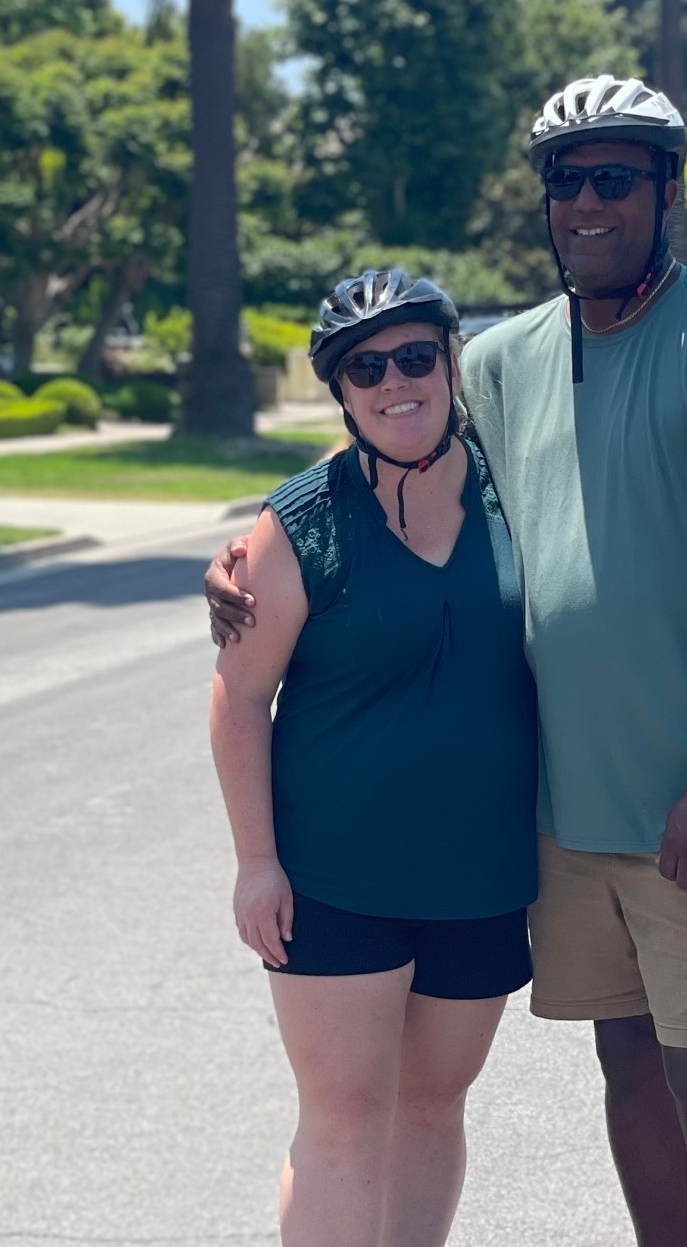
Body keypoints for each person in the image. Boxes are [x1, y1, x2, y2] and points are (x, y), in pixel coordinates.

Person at [209, 76, 687, 1247]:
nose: (589, 203)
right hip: (574, 817)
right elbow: (400, 448)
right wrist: (256, 540)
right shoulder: (507, 361)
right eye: (567, 181)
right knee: (633, 1074)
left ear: (665, 190)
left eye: (616, 178)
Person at [208, 269, 538, 1247]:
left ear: (449, 361)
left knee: (433, 1108)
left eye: (414, 357)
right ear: (342, 393)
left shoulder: (513, 489)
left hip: (482, 874)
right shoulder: (302, 521)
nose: (396, 381)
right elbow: (237, 700)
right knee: (345, 1116)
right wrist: (255, 861)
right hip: (335, 876)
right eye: (366, 368)